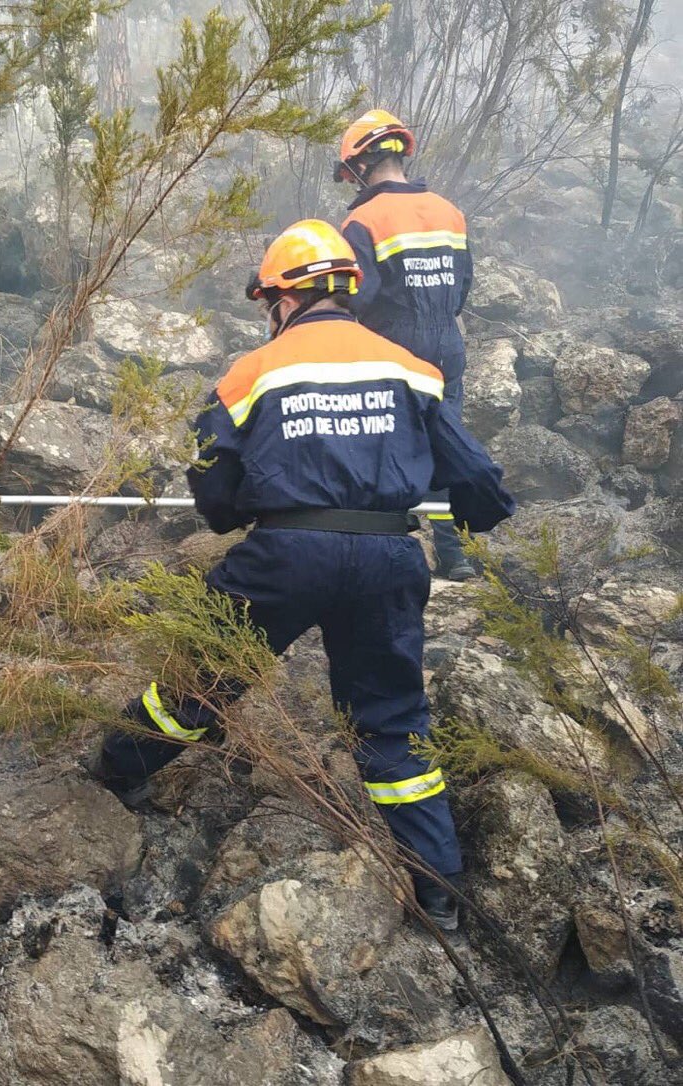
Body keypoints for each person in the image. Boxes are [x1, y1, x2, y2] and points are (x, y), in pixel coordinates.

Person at [90, 220, 515, 928]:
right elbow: (475, 477)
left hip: (284, 558)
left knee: (202, 679)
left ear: (282, 299)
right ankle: (439, 889)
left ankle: (119, 768)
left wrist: (242, 512)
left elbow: (214, 486)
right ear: (347, 290)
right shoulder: (412, 369)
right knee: (393, 721)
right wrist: (472, 513)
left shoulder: (249, 375)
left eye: (267, 305)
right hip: (388, 556)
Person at [335, 109, 476, 581]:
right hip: (447, 345)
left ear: (362, 162)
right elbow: (463, 286)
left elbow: (357, 296)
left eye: (351, 171)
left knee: (381, 447)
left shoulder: (363, 220)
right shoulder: (449, 211)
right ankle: (456, 558)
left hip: (393, 347)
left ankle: (386, 550)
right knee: (445, 445)